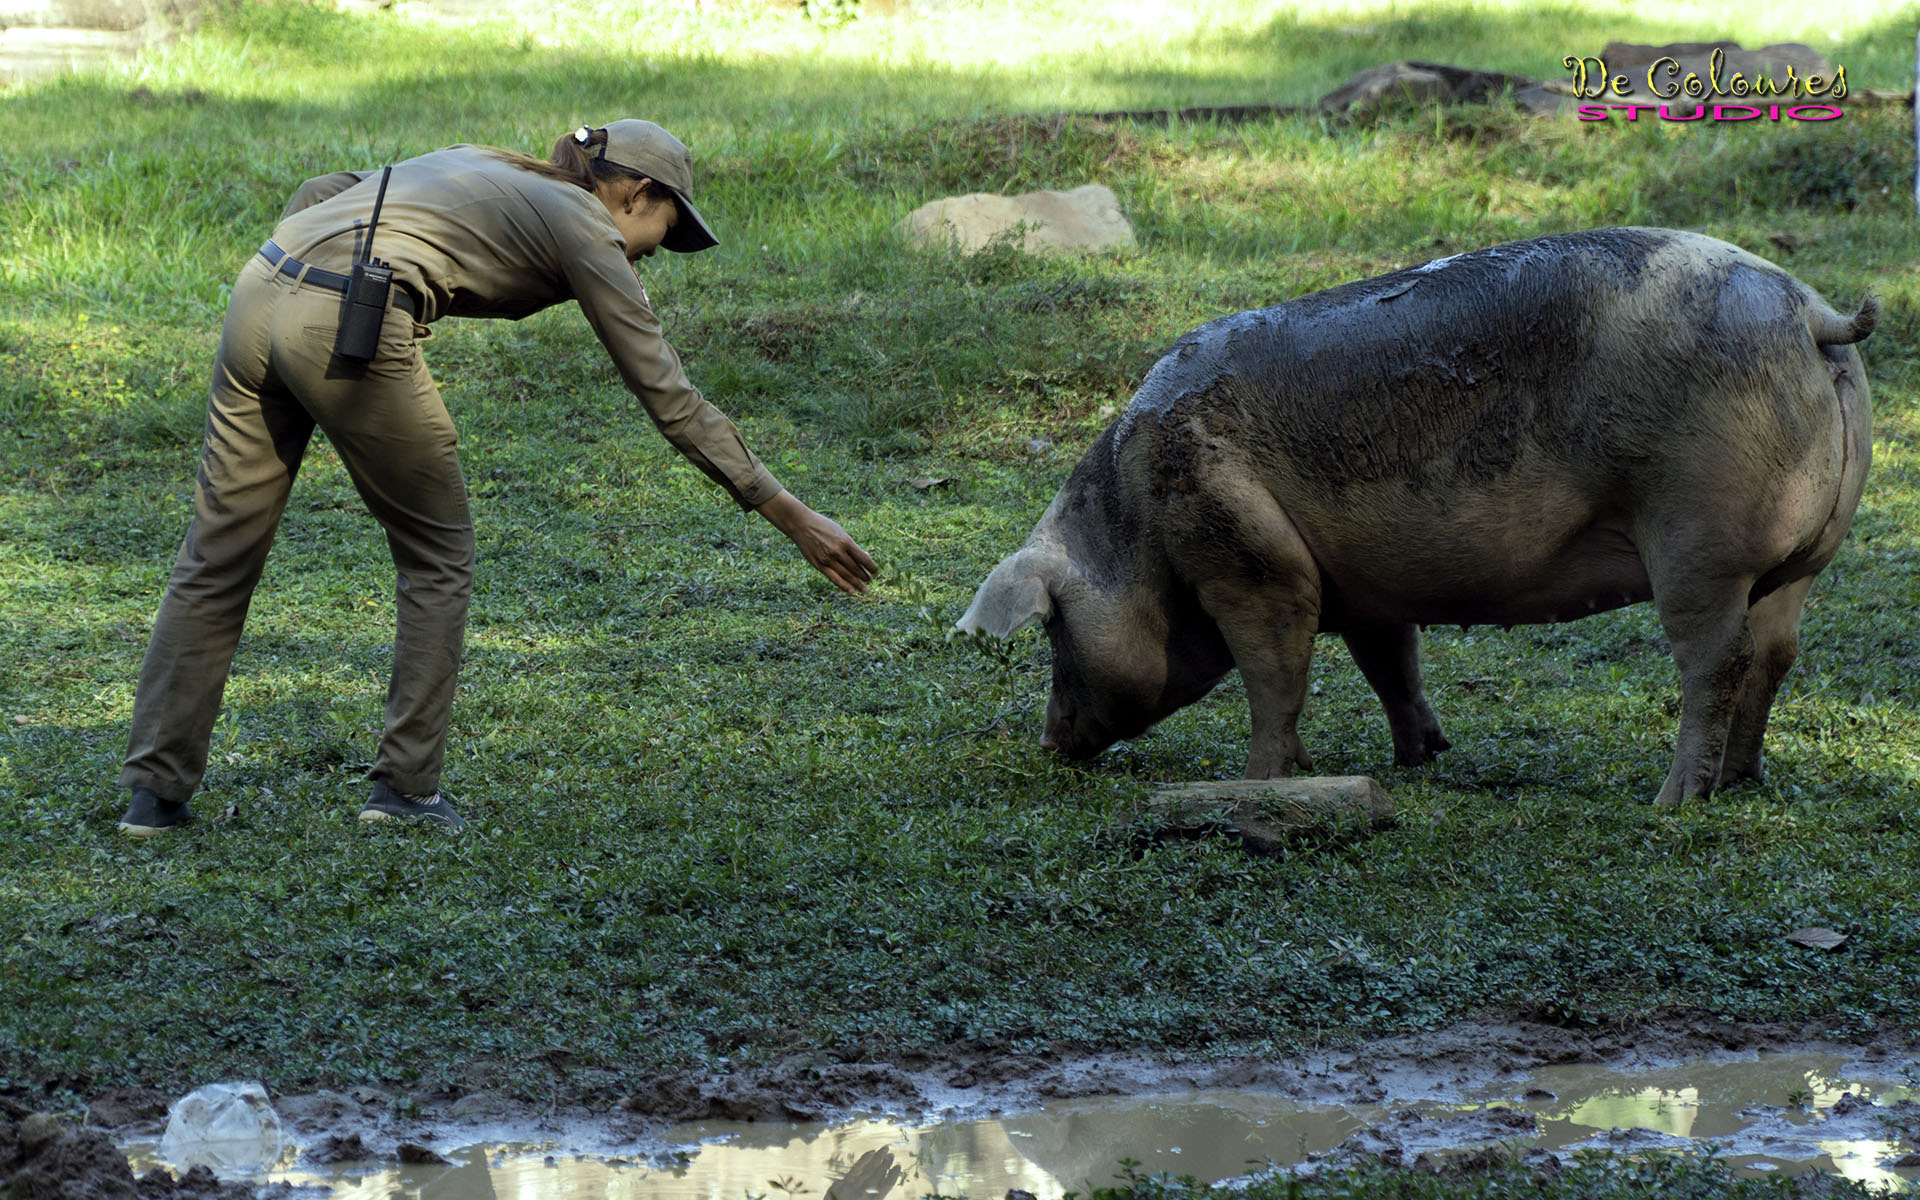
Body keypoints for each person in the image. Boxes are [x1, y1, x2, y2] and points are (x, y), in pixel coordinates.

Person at [116, 119, 877, 837]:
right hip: (343, 325)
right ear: (636, 193)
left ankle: (154, 794)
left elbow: (325, 189)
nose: (648, 255)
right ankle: (406, 789)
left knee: (217, 552)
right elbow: (668, 395)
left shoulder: (484, 160)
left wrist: (318, 273)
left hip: (259, 291)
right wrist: (792, 515)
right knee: (437, 555)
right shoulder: (583, 220)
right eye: (663, 232)